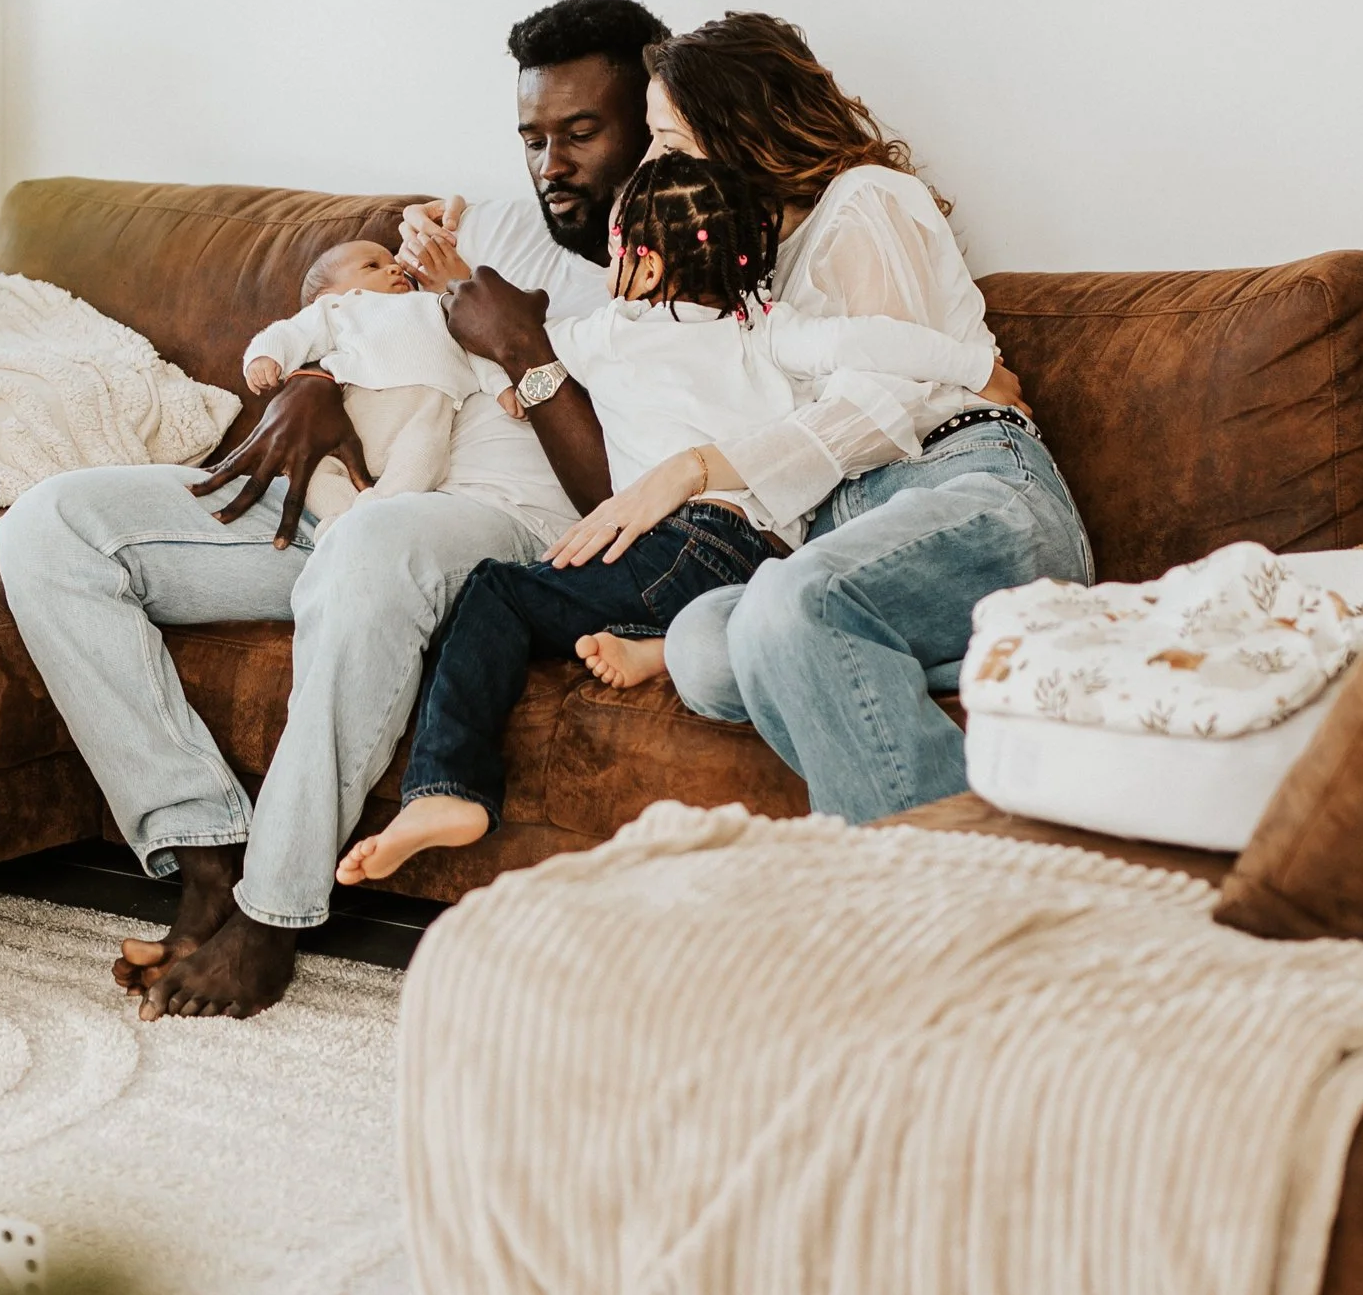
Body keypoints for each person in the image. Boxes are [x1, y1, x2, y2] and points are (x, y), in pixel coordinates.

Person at [0, 0, 665, 1022]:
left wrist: (519, 347)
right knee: (50, 526)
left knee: (379, 547)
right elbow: (346, 326)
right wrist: (311, 388)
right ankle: (204, 850)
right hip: (351, 503)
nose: (551, 166)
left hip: (498, 523)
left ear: (650, 116)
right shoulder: (473, 224)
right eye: (533, 136)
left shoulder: (680, 262)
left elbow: (624, 508)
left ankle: (274, 907)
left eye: (582, 134)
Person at [339, 155, 991, 881]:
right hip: (767, 561)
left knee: (496, 590)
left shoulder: (610, 331)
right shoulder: (768, 327)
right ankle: (657, 643)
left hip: (683, 539)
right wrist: (973, 364)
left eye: (617, 254)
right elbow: (874, 341)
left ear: (644, 271)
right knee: (643, 597)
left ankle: (446, 787)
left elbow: (508, 346)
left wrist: (495, 362)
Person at [646, 13, 1093, 822]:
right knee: (703, 646)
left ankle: (943, 891)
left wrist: (696, 468)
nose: (654, 165)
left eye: (671, 144)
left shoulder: (868, 199)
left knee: (788, 609)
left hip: (971, 491)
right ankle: (989, 651)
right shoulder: (760, 269)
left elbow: (887, 404)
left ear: (740, 130)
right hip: (851, 536)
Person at [238, 238, 509, 523]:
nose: (395, 270)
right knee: (311, 472)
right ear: (326, 295)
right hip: (355, 416)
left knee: (423, 459)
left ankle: (369, 517)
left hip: (424, 410)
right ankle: (342, 518)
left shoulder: (434, 304)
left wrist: (501, 385)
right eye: (373, 265)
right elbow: (290, 333)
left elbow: (476, 344)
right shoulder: (337, 308)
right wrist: (264, 356)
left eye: (397, 266)